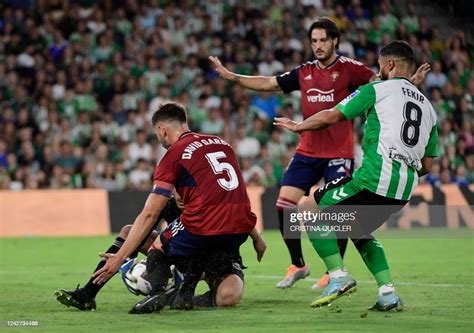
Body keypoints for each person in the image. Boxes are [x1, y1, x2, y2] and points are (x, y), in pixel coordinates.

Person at [209, 17, 430, 289]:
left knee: (333, 212)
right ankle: (299, 264)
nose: (318, 45)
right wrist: (232, 76)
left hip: (338, 151)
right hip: (308, 150)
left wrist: (409, 83)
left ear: (335, 40)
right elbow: (268, 83)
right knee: (285, 205)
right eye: (313, 41)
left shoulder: (351, 69)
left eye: (323, 40)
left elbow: (385, 86)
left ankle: (333, 271)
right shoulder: (304, 72)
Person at [274, 40, 438, 311]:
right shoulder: (429, 109)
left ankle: (338, 277)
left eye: (380, 65)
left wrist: (298, 126)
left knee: (307, 207)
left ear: (389, 65)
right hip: (403, 190)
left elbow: (332, 116)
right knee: (356, 228)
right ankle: (388, 293)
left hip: (373, 179)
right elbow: (428, 166)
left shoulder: (376, 89)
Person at [92, 102, 266, 314]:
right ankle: (185, 294)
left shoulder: (174, 155)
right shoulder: (222, 143)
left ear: (162, 130)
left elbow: (149, 213)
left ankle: (159, 293)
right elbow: (232, 194)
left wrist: (119, 258)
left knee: (159, 246)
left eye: (157, 134)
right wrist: (256, 237)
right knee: (227, 294)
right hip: (238, 229)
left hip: (205, 228)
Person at [55, 198, 248, 310]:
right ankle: (88, 294)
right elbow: (152, 235)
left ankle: (178, 299)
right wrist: (122, 254)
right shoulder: (168, 205)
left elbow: (243, 215)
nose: (180, 195)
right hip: (183, 255)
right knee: (129, 232)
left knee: (229, 297)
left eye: (184, 189)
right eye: (176, 188)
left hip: (217, 260)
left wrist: (256, 237)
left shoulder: (207, 205)